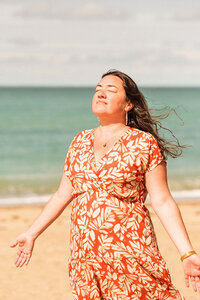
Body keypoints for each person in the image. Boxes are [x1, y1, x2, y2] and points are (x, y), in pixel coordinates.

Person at [10, 70, 200, 299]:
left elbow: (162, 201)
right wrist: (32, 234)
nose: (101, 93)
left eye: (110, 90)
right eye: (98, 89)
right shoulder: (79, 141)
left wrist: (186, 252)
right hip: (85, 258)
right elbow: (63, 193)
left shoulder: (143, 143)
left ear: (128, 104)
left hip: (130, 254)